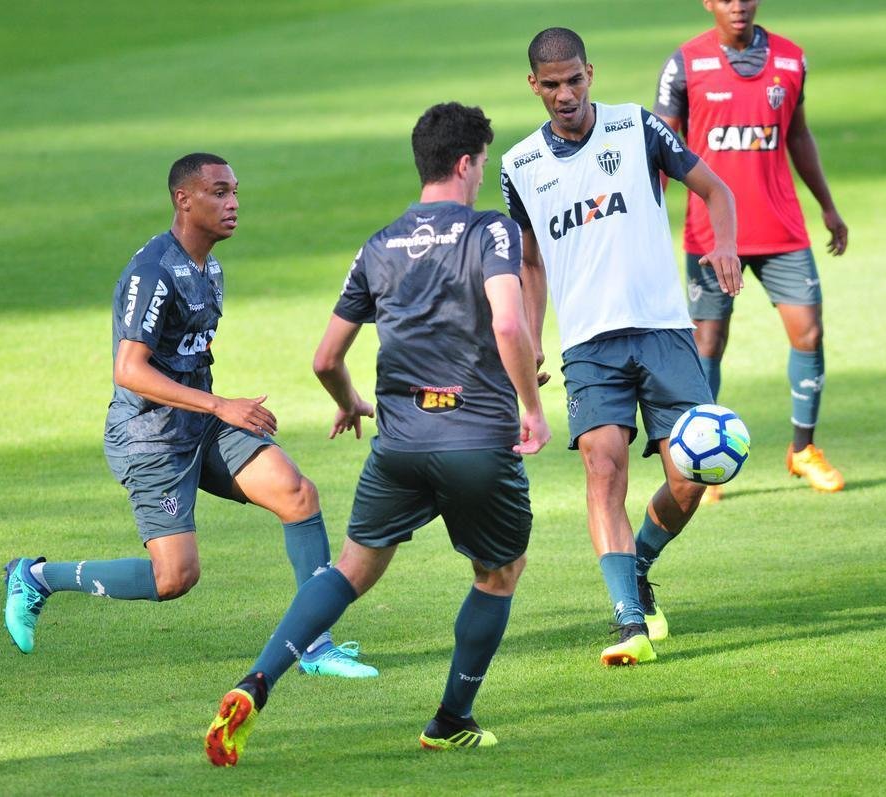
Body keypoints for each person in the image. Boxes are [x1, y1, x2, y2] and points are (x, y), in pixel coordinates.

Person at [204, 102, 549, 765]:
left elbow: (324, 358)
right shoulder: (490, 231)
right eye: (481, 163)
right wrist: (529, 406)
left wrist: (352, 402)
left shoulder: (379, 244)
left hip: (399, 443)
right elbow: (509, 325)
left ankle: (255, 680)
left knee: (351, 568)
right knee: (499, 571)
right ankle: (452, 717)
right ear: (465, 163)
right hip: (475, 436)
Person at [2, 153, 375, 680]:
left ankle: (314, 645)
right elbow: (130, 370)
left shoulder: (209, 267)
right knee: (174, 578)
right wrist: (223, 405)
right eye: (220, 192)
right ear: (185, 199)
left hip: (198, 426)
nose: (234, 203)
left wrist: (216, 412)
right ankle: (36, 577)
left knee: (298, 494)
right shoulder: (153, 272)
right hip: (150, 438)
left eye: (236, 191)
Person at [500, 28, 740, 665]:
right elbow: (529, 263)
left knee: (691, 476)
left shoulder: (639, 128)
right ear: (534, 86)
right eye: (551, 84)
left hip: (664, 330)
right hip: (588, 344)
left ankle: (639, 563)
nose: (565, 94)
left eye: (574, 79)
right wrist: (528, 337)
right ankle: (629, 621)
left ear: (590, 73)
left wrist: (723, 243)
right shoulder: (519, 165)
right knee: (602, 469)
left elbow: (718, 190)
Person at [655, 0, 849, 498]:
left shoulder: (791, 59)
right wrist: (647, 220)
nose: (737, 6)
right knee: (707, 344)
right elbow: (659, 149)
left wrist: (827, 205)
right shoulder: (685, 64)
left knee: (808, 333)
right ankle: (701, 458)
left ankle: (803, 450)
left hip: (781, 227)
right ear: (709, 3)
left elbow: (799, 136)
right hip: (711, 236)